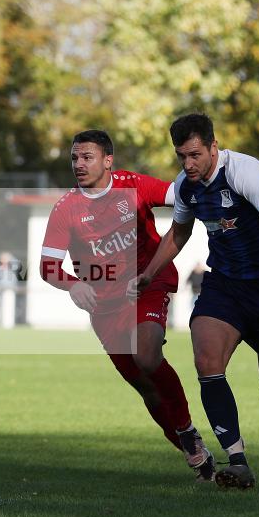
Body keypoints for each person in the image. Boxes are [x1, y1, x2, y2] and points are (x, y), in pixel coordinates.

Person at [128, 113, 259, 490]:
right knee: (206, 360)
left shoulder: (243, 172)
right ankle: (237, 461)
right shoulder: (187, 186)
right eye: (181, 156)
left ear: (214, 146)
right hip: (224, 288)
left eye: (195, 154)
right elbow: (179, 231)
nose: (188, 164)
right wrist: (150, 272)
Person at [40, 129, 215, 482]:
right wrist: (72, 285)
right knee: (144, 385)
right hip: (104, 308)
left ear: (108, 160)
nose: (79, 164)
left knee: (147, 355)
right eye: (74, 158)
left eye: (87, 157)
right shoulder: (66, 209)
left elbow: (179, 192)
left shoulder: (132, 185)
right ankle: (191, 449)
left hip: (146, 284)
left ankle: (187, 431)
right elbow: (47, 266)